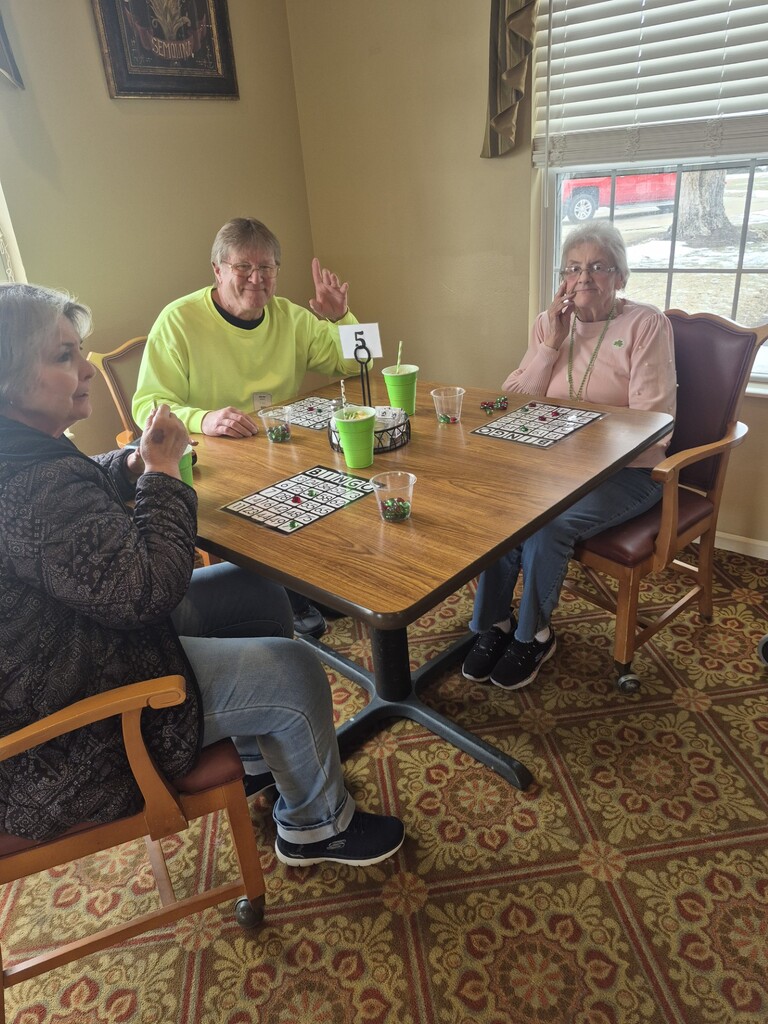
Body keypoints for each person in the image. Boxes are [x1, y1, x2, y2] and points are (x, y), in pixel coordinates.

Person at [0, 283, 404, 868]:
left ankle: (263, 752)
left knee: (256, 590)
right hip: (71, 730)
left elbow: (75, 493)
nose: (85, 369)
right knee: (295, 671)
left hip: (82, 642)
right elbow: (149, 591)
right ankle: (317, 828)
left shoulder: (23, 451)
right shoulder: (28, 488)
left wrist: (132, 463)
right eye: (64, 356)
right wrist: (163, 473)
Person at [462, 222, 677, 690]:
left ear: (620, 276)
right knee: (500, 510)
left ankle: (534, 635)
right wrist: (550, 345)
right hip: (550, 469)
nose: (584, 278)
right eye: (573, 268)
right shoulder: (549, 323)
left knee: (548, 527)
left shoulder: (645, 324)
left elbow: (653, 422)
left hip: (631, 473)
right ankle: (494, 622)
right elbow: (513, 400)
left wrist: (574, 445)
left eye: (598, 266)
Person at [132, 217, 365, 639]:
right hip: (216, 455)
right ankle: (284, 589)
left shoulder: (291, 316)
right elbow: (147, 404)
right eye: (243, 267)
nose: (256, 278)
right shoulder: (178, 319)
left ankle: (311, 578)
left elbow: (356, 364)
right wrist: (204, 418)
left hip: (281, 443)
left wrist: (342, 317)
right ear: (218, 270)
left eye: (267, 267)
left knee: (345, 467)